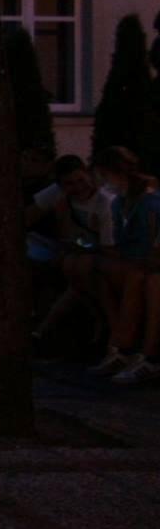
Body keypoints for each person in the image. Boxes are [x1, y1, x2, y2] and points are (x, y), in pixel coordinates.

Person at [26, 154, 115, 347]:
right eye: (70, 184)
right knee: (70, 266)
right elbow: (29, 216)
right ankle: (44, 330)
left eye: (81, 180)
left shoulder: (104, 202)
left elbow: (108, 246)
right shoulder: (61, 196)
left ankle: (46, 330)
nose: (78, 187)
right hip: (79, 249)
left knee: (76, 268)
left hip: (106, 253)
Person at [87, 147, 160, 383]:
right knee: (98, 271)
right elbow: (122, 243)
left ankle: (126, 347)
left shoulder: (149, 203)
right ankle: (121, 345)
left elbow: (151, 245)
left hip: (145, 264)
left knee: (139, 278)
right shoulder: (119, 203)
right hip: (135, 261)